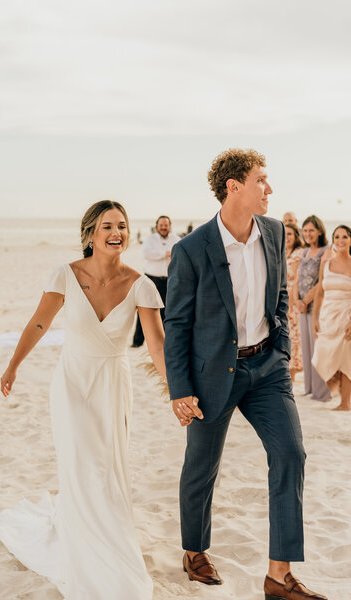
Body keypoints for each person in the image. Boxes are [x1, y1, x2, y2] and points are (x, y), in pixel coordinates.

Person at [164, 149, 327, 600]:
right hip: (211, 373)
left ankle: (279, 575)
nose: (269, 188)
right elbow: (176, 324)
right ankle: (194, 550)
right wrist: (180, 389)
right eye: (261, 180)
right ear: (234, 187)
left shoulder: (274, 232)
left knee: (291, 454)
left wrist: (283, 353)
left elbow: (279, 296)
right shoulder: (191, 250)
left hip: (267, 368)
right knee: (202, 466)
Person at [0, 201, 165, 600]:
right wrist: (13, 366)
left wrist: (177, 393)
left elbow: (157, 347)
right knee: (80, 462)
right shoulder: (65, 275)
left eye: (122, 225)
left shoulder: (142, 285)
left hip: (113, 385)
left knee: (107, 467)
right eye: (107, 226)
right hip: (72, 383)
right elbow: (39, 322)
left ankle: (110, 538)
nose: (116, 232)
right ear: (90, 234)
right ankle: (83, 541)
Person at [312, 225, 351, 411]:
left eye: (344, 236)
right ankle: (335, 387)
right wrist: (315, 319)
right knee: (321, 355)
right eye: (337, 237)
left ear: (350, 240)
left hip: (347, 316)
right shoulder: (326, 264)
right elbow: (319, 292)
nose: (340, 240)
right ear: (333, 240)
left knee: (346, 359)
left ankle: (345, 403)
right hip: (327, 315)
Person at [296, 215, 331, 402]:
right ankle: (309, 388)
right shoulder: (304, 252)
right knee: (306, 348)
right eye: (305, 230)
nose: (308, 234)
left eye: (311, 230)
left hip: (318, 306)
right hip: (302, 308)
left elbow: (323, 279)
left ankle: (322, 393)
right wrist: (297, 301)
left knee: (319, 348)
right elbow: (297, 280)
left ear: (319, 231)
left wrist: (307, 300)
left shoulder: (326, 250)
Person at [131, 215, 180, 347]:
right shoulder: (150, 239)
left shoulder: (176, 239)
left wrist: (170, 254)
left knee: (167, 311)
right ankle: (137, 342)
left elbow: (181, 256)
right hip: (151, 279)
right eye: (161, 225)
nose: (163, 227)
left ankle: (164, 342)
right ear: (157, 226)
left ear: (170, 226)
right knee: (145, 309)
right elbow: (147, 254)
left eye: (166, 225)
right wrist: (165, 253)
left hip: (169, 280)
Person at [285, 224, 304, 381]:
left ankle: (292, 377)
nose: (287, 237)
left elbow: (297, 279)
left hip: (292, 300)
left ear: (296, 236)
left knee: (294, 340)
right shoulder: (283, 252)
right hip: (282, 297)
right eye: (285, 234)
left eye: (290, 234)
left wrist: (291, 303)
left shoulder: (299, 253)